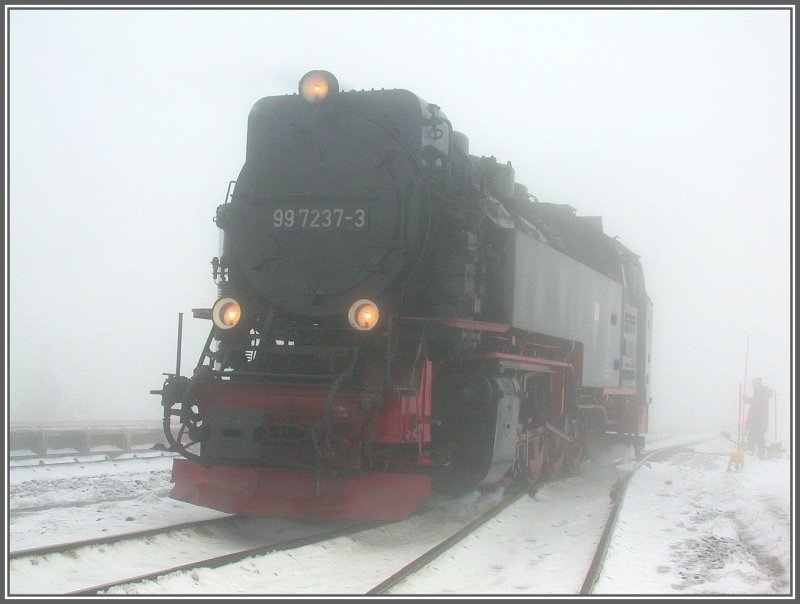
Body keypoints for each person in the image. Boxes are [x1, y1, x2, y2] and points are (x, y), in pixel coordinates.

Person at [745, 377, 772, 459]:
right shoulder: (760, 392)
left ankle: (755, 452)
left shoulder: (761, 392)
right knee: (755, 436)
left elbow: (756, 403)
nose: (753, 385)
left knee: (756, 436)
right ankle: (756, 452)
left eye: (754, 383)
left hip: (758, 419)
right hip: (758, 419)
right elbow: (755, 403)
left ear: (758, 383)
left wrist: (746, 399)